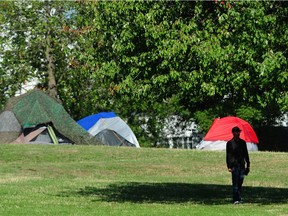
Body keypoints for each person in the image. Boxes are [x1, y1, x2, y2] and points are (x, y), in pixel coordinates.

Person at [226, 126, 250, 204]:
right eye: (236, 131)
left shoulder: (243, 142)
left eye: (238, 131)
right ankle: (235, 199)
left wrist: (248, 164)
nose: (238, 133)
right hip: (234, 165)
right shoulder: (230, 143)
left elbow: (246, 153)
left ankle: (239, 197)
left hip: (241, 164)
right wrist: (229, 166)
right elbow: (228, 155)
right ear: (233, 133)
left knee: (240, 181)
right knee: (235, 182)